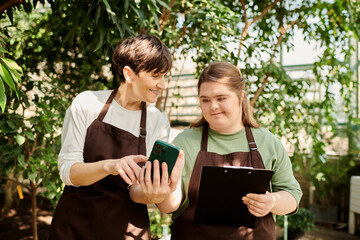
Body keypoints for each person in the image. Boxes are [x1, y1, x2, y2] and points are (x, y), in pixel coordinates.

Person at [49, 35, 184, 240]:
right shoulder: (87, 103)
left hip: (127, 230)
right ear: (129, 74)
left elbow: (136, 192)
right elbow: (68, 172)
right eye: (156, 75)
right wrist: (111, 166)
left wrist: (154, 192)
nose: (162, 85)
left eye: (165, 76)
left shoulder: (158, 122)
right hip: (74, 225)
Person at [157, 62, 302, 240]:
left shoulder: (268, 142)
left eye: (221, 98)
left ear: (241, 97)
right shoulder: (185, 143)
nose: (213, 107)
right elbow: (166, 206)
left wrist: (271, 202)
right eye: (205, 100)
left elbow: (292, 196)